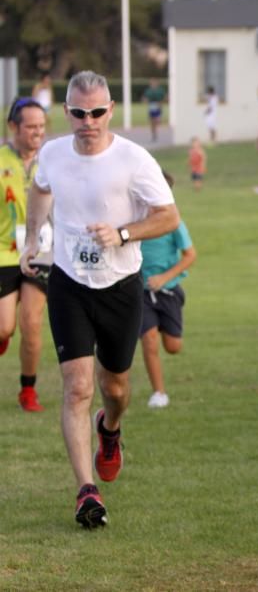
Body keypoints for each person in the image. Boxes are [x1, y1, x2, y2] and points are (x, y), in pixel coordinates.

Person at [20, 70, 180, 528]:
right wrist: (34, 238)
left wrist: (123, 233)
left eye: (95, 112)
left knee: (114, 390)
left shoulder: (134, 159)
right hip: (69, 284)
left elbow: (169, 216)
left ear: (109, 111)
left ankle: (109, 431)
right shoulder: (52, 154)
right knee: (77, 388)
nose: (87, 121)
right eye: (77, 112)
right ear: (65, 112)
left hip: (120, 287)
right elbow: (41, 189)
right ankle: (86, 492)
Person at [2, 98, 53, 412]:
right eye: (31, 127)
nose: (37, 133)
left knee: (31, 322)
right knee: (5, 327)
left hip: (42, 252)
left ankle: (28, 390)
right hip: (4, 253)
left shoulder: (52, 161)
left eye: (41, 127)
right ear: (13, 127)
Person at [139, 171, 196, 409]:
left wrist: (164, 277)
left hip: (168, 290)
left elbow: (190, 255)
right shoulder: (135, 221)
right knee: (149, 339)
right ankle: (159, 393)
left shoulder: (174, 222)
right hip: (140, 291)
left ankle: (164, 322)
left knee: (173, 347)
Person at [142, 79, 167, 144]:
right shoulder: (148, 91)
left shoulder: (160, 90)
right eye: (152, 83)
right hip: (151, 106)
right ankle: (154, 134)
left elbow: (165, 97)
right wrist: (145, 100)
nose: (153, 84)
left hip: (158, 106)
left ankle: (157, 122)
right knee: (152, 122)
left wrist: (161, 102)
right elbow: (144, 98)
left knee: (157, 121)